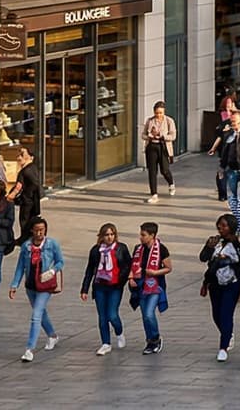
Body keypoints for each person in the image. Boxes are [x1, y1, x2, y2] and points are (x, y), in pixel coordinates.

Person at [8, 216, 64, 363]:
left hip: (45, 285)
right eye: (37, 230)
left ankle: (29, 349)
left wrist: (52, 271)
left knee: (36, 315)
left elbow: (60, 261)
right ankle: (52, 336)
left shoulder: (52, 244)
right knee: (41, 313)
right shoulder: (26, 246)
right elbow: (21, 267)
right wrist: (14, 285)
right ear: (32, 230)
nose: (40, 233)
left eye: (42, 230)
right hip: (31, 286)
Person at [79, 222, 131, 355]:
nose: (109, 237)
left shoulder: (121, 248)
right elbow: (90, 270)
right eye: (106, 235)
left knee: (112, 315)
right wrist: (84, 289)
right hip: (99, 286)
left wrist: (122, 279)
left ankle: (119, 333)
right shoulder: (96, 250)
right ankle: (106, 343)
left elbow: (127, 265)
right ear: (101, 236)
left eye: (112, 234)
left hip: (115, 286)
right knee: (102, 316)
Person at [199, 214, 240, 362]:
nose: (221, 229)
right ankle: (227, 333)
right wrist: (208, 247)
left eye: (224, 226)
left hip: (232, 282)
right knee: (216, 314)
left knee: (226, 313)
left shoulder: (238, 243)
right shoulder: (215, 241)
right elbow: (203, 258)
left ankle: (223, 347)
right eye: (219, 226)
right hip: (215, 282)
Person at [129, 222, 170, 354]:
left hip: (154, 286)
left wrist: (155, 273)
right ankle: (149, 341)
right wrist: (130, 279)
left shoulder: (161, 249)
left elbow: (168, 268)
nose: (141, 237)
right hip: (140, 286)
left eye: (143, 235)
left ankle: (156, 338)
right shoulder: (138, 249)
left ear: (152, 235)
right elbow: (132, 266)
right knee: (144, 316)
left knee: (149, 313)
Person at [213, 110, 240, 203]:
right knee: (234, 191)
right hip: (231, 169)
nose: (232, 124)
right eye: (231, 121)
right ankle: (238, 210)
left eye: (234, 122)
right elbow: (225, 151)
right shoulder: (228, 134)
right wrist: (222, 167)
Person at [142, 102, 177, 202]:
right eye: (157, 113)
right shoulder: (149, 121)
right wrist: (149, 136)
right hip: (152, 146)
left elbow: (173, 136)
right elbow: (143, 134)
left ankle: (171, 183)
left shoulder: (169, 121)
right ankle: (154, 194)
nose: (158, 115)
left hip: (163, 146)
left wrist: (163, 136)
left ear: (164, 112)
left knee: (164, 170)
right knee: (152, 171)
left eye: (161, 113)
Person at [10, 148, 43, 234]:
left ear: (31, 157)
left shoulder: (25, 171)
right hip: (33, 200)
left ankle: (25, 238)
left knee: (25, 220)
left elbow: (18, 187)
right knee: (30, 220)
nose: (19, 158)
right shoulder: (33, 168)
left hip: (27, 200)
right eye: (18, 155)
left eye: (22, 155)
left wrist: (10, 196)